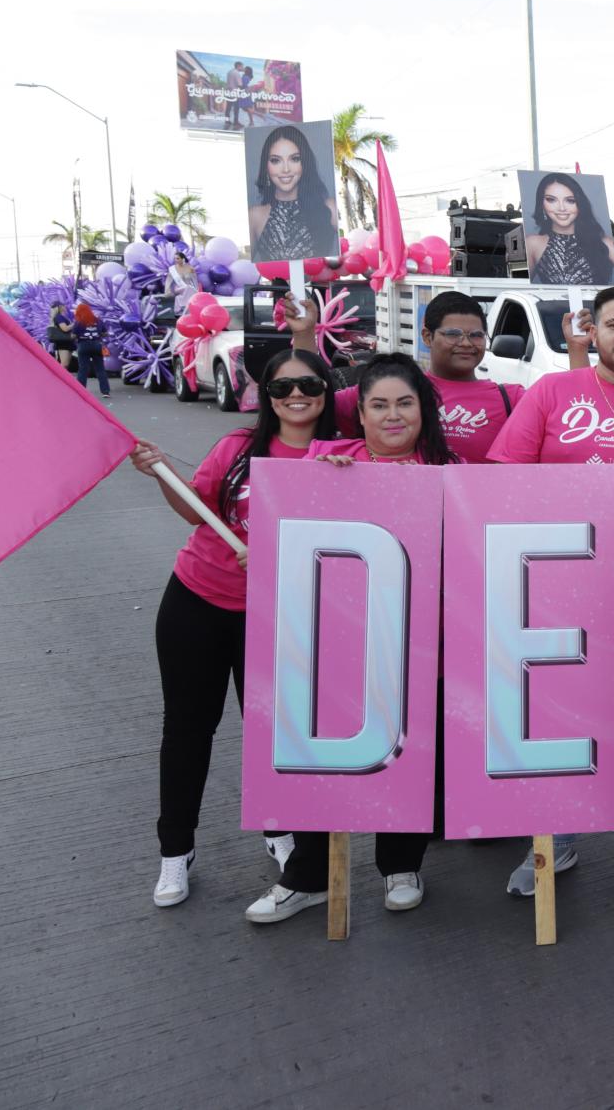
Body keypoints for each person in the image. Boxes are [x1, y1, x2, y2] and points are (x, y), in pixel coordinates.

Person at [247, 355, 455, 925]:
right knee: (322, 755)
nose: (393, 415)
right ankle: (309, 877)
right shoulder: (323, 459)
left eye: (405, 403)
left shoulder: (449, 469)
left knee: (411, 756)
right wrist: (324, 486)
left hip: (419, 645)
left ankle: (401, 865)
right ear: (358, 414)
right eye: (379, 405)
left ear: (424, 410)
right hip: (333, 641)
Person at [127, 348, 338, 908]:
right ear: (265, 396)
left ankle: (282, 834)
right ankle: (176, 852)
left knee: (275, 737)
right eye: (281, 387)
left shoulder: (341, 456)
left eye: (309, 384)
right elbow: (197, 512)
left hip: (281, 615)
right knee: (188, 731)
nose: (296, 395)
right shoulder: (237, 448)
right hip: (197, 600)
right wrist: (160, 474)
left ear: (327, 388)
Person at [488, 285, 614, 890]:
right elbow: (504, 477)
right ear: (591, 331)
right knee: (556, 712)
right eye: (613, 323)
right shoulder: (551, 391)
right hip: (557, 580)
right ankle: (554, 839)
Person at [293, 291, 521, 464]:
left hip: (475, 516)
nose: (466, 343)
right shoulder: (395, 388)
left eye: (476, 335)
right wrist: (304, 334)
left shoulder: (512, 398)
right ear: (427, 337)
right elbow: (301, 399)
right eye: (453, 334)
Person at [247, 124, 336, 260]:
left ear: (305, 162)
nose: (286, 169)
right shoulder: (254, 216)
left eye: (295, 159)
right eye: (276, 160)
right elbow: (244, 269)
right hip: (275, 282)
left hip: (318, 282)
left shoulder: (330, 207)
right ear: (266, 166)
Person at [525, 173, 614, 286]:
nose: (562, 208)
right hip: (555, 304)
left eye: (570, 200)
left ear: (580, 204)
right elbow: (521, 288)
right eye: (551, 200)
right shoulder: (532, 244)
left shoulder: (605, 243)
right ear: (542, 204)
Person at [70, 302, 110, 399]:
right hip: (97, 345)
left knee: (83, 369)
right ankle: (105, 392)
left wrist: (76, 336)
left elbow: (73, 336)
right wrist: (98, 334)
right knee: (100, 369)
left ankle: (80, 391)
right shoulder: (98, 320)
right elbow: (105, 333)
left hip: (83, 345)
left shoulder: (79, 322)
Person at [48, 302, 75, 368]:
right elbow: (65, 328)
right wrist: (75, 324)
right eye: (64, 306)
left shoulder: (61, 317)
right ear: (60, 307)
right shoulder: (59, 317)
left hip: (66, 341)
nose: (65, 307)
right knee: (64, 364)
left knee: (66, 365)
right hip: (64, 342)